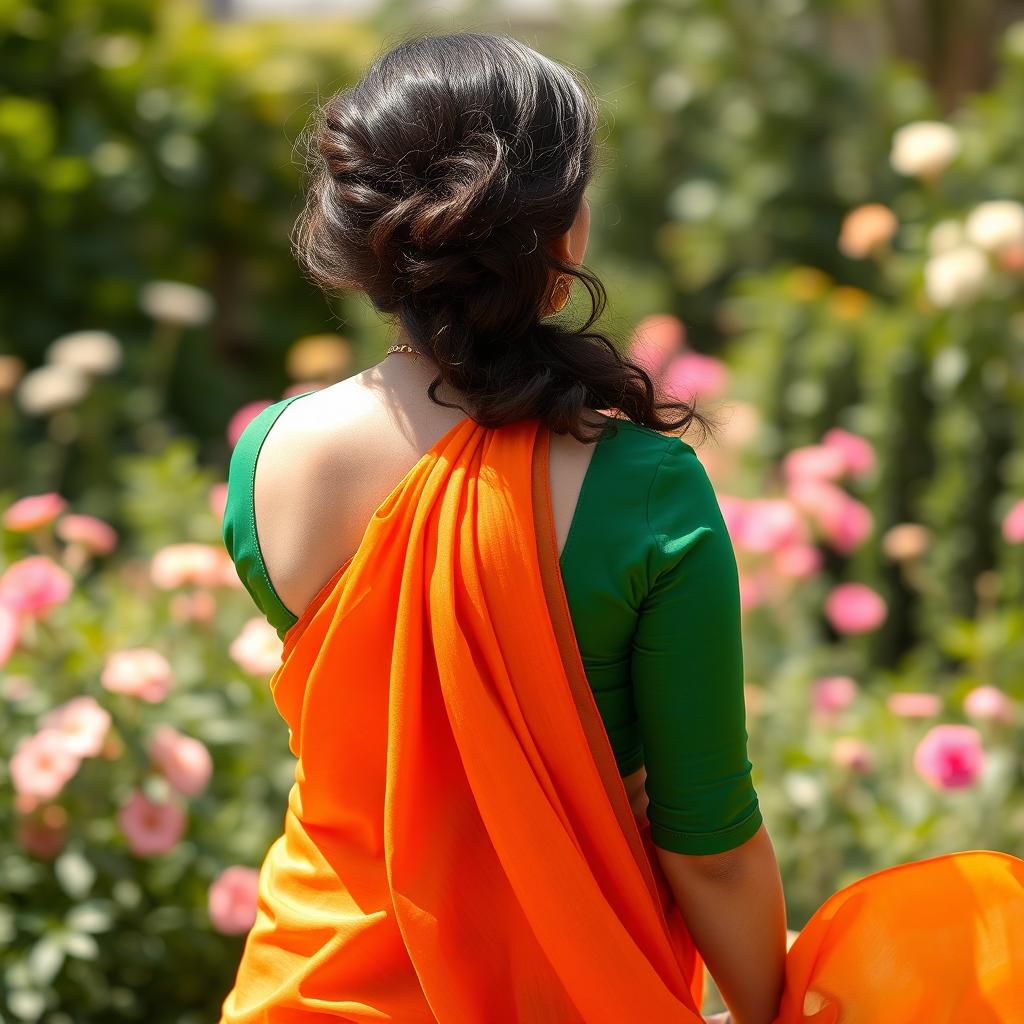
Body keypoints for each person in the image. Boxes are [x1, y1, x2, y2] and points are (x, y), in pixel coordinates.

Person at [218, 30, 1024, 1024]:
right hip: (570, 986)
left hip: (305, 986)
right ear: (562, 227)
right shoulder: (643, 489)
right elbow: (708, 844)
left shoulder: (271, 455)